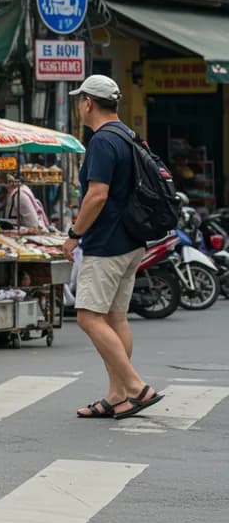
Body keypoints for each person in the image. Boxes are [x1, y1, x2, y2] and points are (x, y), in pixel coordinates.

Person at [63, 75, 164, 420]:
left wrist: (74, 233)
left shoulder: (102, 141)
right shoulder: (128, 135)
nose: (79, 106)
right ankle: (117, 395)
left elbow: (97, 194)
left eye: (80, 101)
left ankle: (136, 387)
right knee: (115, 317)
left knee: (89, 317)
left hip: (106, 242)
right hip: (132, 240)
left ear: (88, 103)